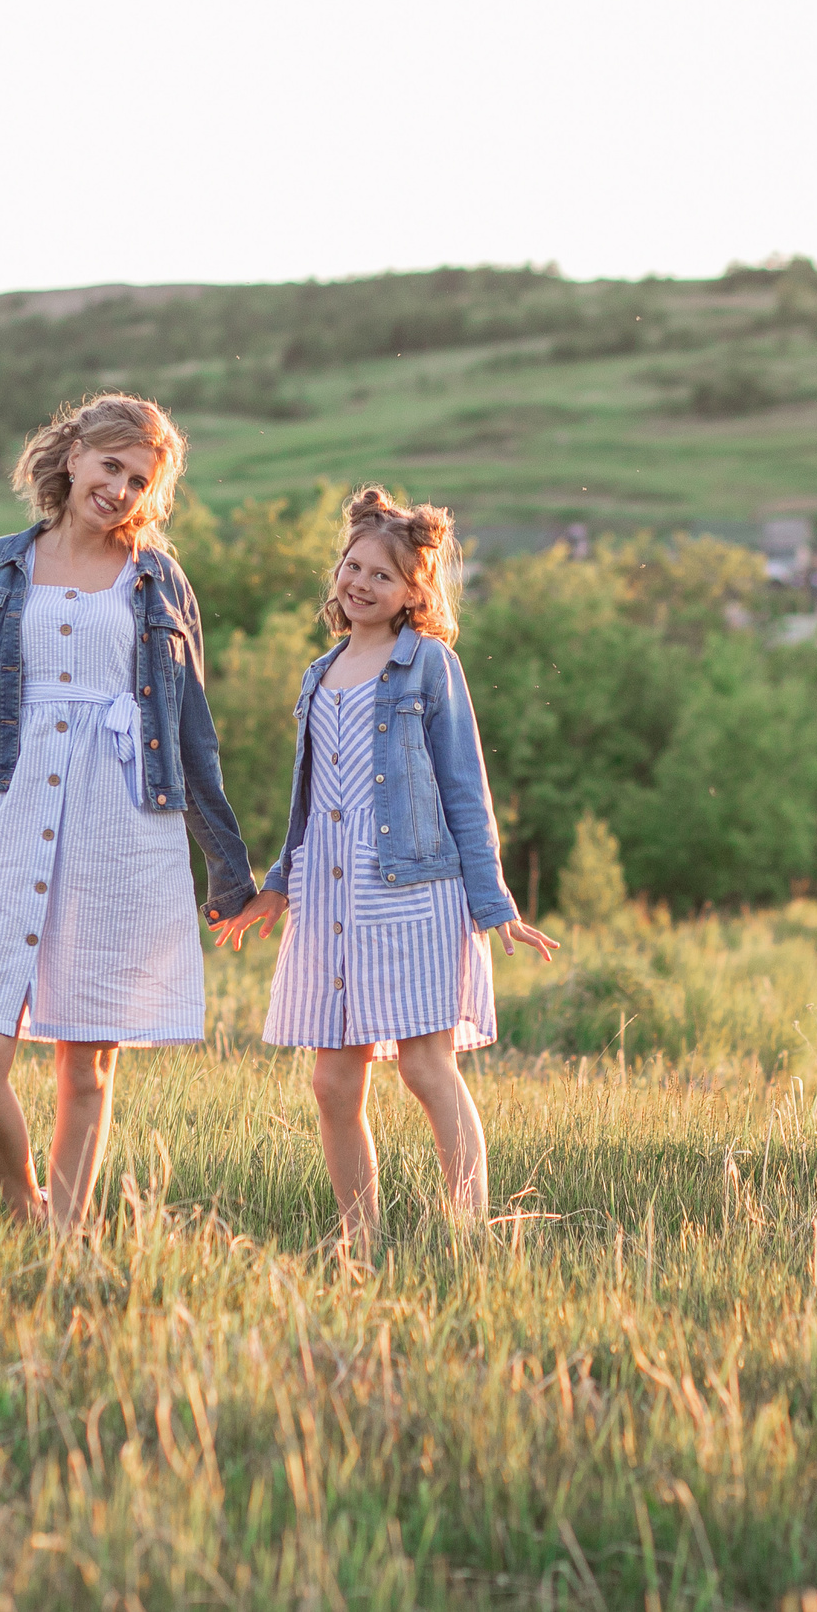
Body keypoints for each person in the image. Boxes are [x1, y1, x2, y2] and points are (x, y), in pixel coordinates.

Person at [0, 394, 253, 1232]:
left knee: (85, 1070)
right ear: (73, 454)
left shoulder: (160, 582)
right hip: (8, 816)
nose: (120, 488)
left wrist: (230, 873)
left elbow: (193, 735)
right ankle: (28, 1203)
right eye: (111, 465)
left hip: (119, 828)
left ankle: (66, 1236)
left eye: (140, 479)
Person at [209, 487, 557, 1251]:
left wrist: (493, 903)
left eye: (384, 576)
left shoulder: (428, 665)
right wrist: (276, 885)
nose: (362, 583)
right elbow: (308, 801)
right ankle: (358, 1240)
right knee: (333, 1083)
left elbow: (466, 788)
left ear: (414, 593)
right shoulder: (318, 672)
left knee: (426, 1069)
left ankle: (468, 1232)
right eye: (353, 566)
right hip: (327, 893)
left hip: (411, 888)